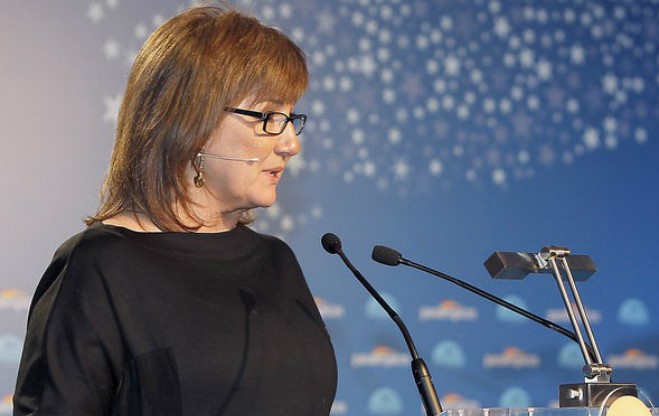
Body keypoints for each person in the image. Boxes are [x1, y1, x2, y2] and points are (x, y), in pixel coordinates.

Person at [13, 4, 337, 416]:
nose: (291, 144)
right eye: (270, 117)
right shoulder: (100, 267)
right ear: (191, 120)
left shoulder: (277, 261)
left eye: (292, 118)